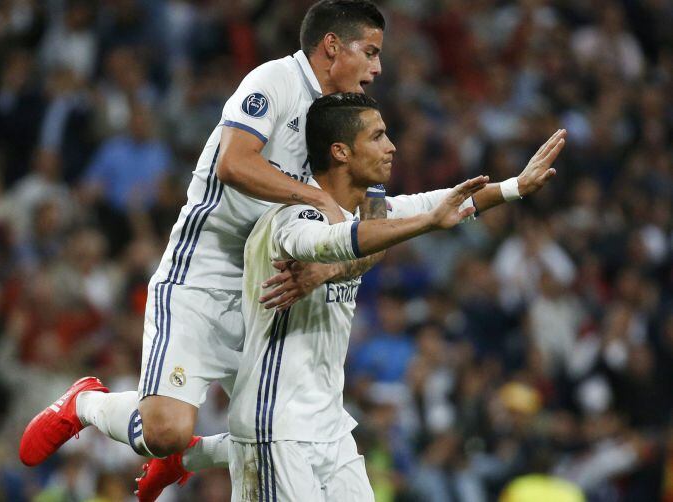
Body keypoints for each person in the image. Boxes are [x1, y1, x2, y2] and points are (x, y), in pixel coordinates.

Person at [19, 0, 389, 494]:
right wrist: (314, 195)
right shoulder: (274, 82)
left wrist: (334, 265)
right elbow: (233, 163)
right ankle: (84, 403)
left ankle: (188, 458)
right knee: (164, 429)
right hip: (204, 276)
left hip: (267, 291)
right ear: (331, 46)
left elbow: (376, 214)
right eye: (369, 52)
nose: (377, 67)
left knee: (282, 426)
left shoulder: (347, 118)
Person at [224, 93, 566, 500]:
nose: (392, 146)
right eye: (378, 137)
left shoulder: (358, 214)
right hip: (275, 422)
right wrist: (426, 223)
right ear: (341, 151)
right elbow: (337, 241)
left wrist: (514, 186)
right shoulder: (295, 215)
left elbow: (439, 203)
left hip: (329, 423)